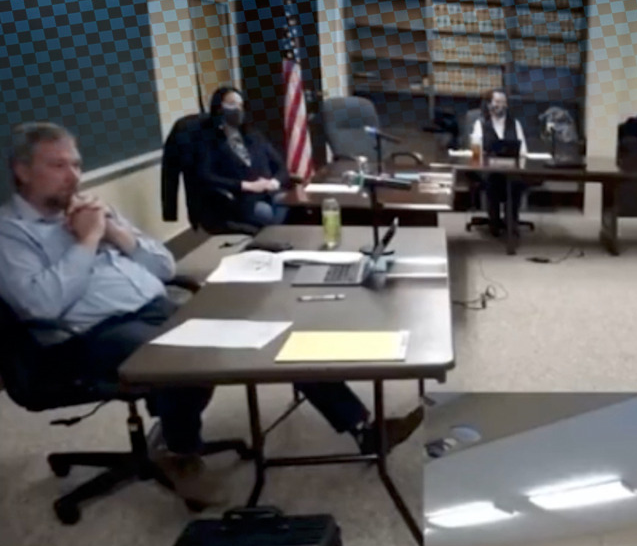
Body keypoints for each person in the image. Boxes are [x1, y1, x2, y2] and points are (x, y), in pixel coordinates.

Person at [0, 123, 425, 506]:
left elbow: (164, 266)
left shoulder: (90, 211)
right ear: (22, 171)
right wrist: (88, 241)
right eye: (58, 165)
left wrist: (113, 231)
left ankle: (363, 428)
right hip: (89, 335)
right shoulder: (10, 233)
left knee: (272, 331)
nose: (74, 175)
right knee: (187, 357)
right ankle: (181, 453)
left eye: (76, 164)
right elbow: (41, 305)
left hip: (156, 305)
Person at [197, 86, 290, 228]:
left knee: (292, 205)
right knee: (268, 214)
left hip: (270, 192)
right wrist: (246, 185)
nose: (238, 109)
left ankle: (277, 237)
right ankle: (275, 238)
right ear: (219, 108)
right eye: (232, 104)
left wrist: (273, 182)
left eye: (240, 105)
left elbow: (281, 167)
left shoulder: (254, 135)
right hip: (242, 199)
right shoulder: (209, 140)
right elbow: (206, 176)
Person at [469, 89, 528, 236]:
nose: (500, 105)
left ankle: (511, 222)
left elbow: (523, 151)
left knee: (516, 182)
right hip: (489, 170)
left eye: (503, 102)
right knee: (493, 181)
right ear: (489, 104)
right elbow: (476, 152)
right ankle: (494, 222)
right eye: (497, 102)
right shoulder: (481, 123)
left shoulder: (515, 124)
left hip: (511, 169)